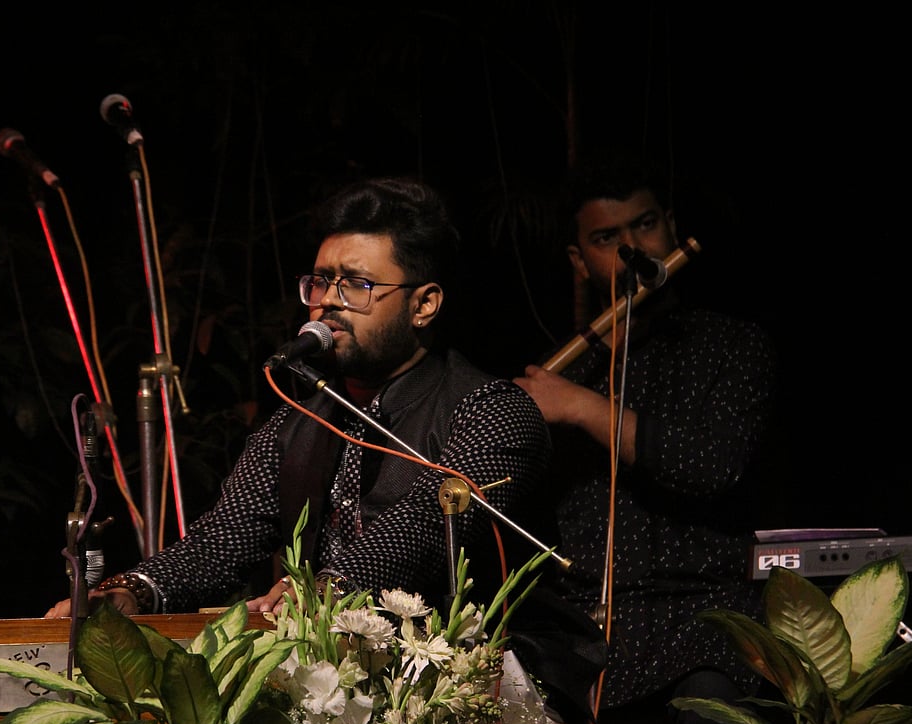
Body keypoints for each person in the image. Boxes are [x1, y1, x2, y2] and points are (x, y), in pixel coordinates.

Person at [45, 175, 556, 626]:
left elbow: (425, 523)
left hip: (487, 676)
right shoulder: (296, 426)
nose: (327, 299)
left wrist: (327, 587)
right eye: (321, 281)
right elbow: (224, 539)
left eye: (356, 284)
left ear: (423, 304)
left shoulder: (492, 410)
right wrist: (132, 591)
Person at [513, 154, 778, 724]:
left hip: (704, 617)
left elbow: (709, 465)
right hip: (583, 629)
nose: (633, 249)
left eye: (646, 225)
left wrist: (584, 409)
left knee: (716, 709)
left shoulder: (733, 347)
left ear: (670, 226)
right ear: (579, 260)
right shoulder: (563, 371)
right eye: (607, 238)